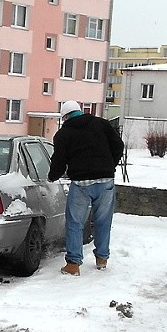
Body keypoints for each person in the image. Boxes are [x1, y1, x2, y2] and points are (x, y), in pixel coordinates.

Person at [47, 101, 124, 276]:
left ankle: (73, 264)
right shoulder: (101, 124)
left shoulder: (63, 134)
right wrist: (110, 164)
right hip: (105, 181)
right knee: (103, 221)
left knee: (75, 222)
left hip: (81, 184)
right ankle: (102, 259)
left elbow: (58, 160)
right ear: (80, 112)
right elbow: (118, 146)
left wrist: (52, 176)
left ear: (65, 117)